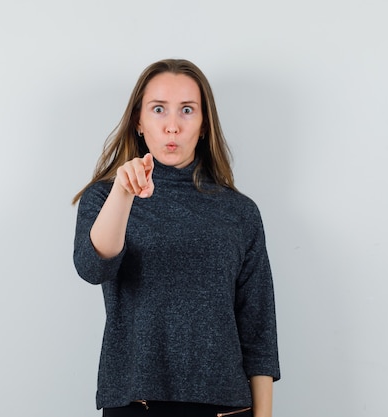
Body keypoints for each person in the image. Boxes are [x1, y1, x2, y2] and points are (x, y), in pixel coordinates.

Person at [72, 59, 280, 417]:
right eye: (158, 109)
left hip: (225, 406)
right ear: (139, 120)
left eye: (187, 110)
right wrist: (123, 192)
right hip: (137, 403)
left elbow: (258, 329)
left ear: (203, 125)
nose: (172, 126)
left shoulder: (240, 212)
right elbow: (93, 267)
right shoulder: (106, 198)